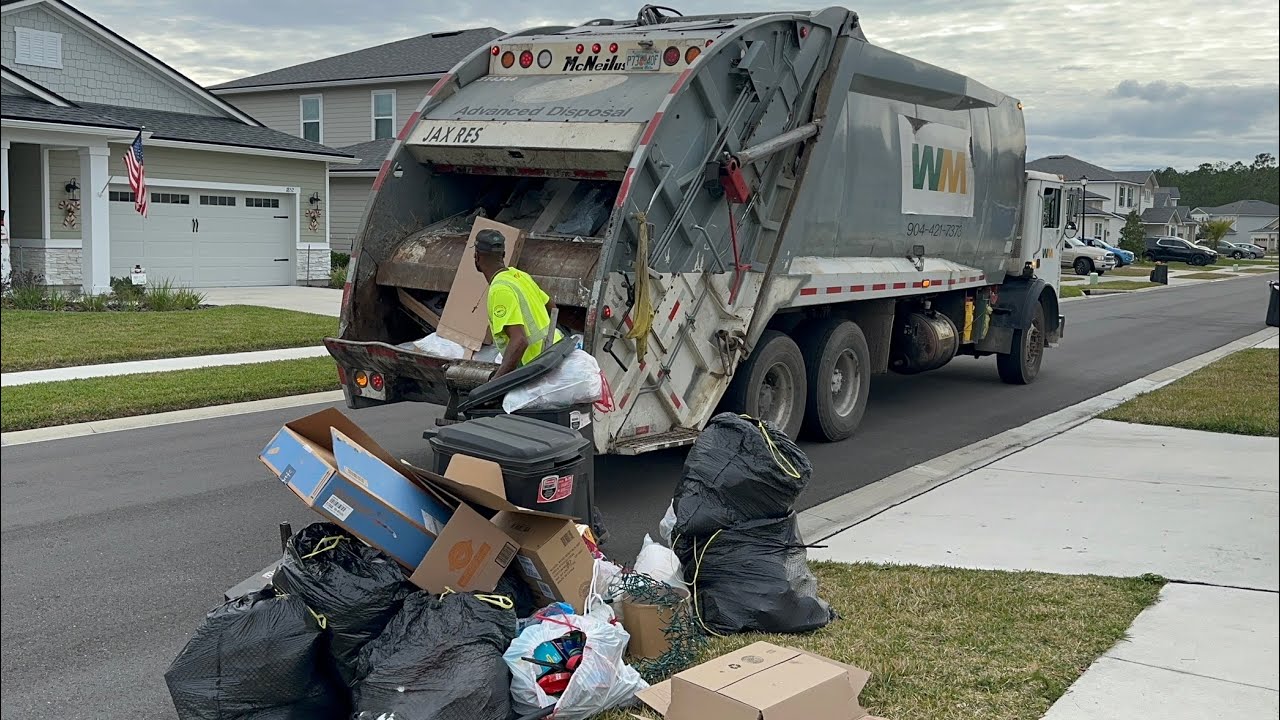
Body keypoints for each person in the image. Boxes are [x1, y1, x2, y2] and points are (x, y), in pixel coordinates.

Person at [474, 228, 561, 379]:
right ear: (503, 255)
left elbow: (519, 341)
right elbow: (552, 307)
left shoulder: (499, 289)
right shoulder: (519, 276)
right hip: (556, 352)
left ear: (477, 257)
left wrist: (495, 384)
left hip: (537, 367)